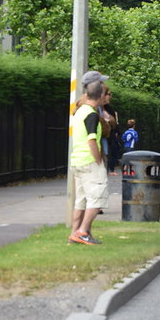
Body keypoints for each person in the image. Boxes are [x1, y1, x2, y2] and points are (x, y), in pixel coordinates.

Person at [68, 79, 108, 245]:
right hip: (89, 161)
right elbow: (91, 140)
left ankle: (74, 233)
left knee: (81, 200)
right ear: (100, 95)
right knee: (97, 197)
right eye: (106, 94)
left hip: (77, 161)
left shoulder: (79, 112)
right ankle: (83, 232)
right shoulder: (92, 114)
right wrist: (98, 159)